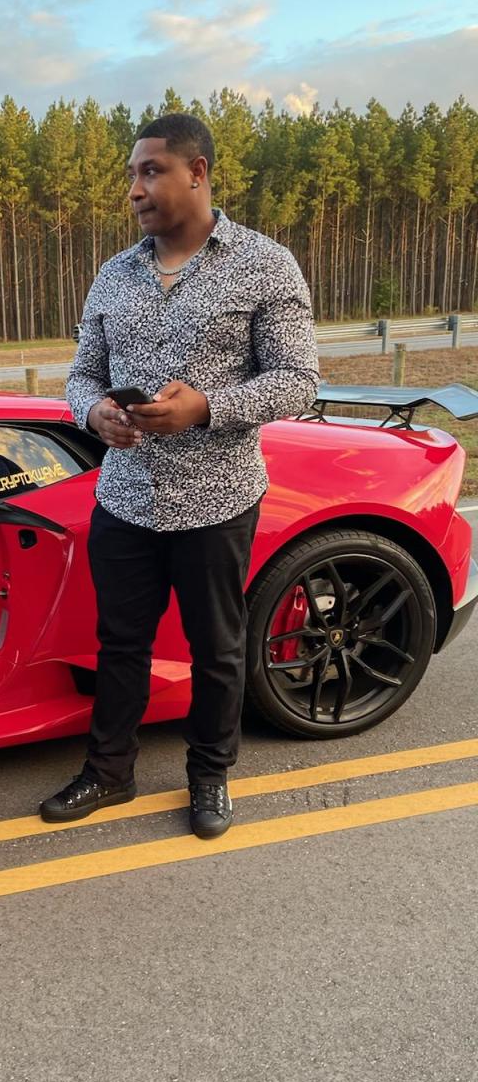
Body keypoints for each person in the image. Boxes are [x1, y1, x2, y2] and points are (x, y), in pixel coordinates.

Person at [39, 113, 320, 839]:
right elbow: (81, 376)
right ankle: (109, 773)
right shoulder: (113, 274)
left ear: (197, 172)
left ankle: (209, 776)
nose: (134, 188)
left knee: (217, 647)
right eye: (132, 174)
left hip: (218, 500)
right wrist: (95, 412)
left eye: (150, 171)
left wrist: (208, 408)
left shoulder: (265, 264)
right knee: (120, 643)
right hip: (125, 498)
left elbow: (297, 382)